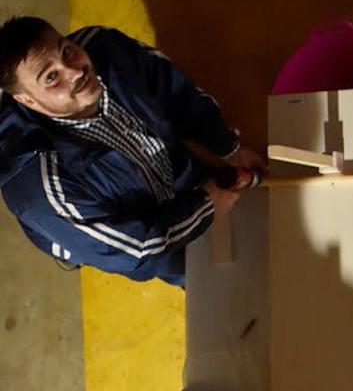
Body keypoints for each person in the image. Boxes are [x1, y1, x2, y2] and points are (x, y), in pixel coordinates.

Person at [0, 16, 265, 287]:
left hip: (170, 178)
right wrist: (207, 207)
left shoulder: (106, 48)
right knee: (210, 280)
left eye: (66, 51)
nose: (75, 72)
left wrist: (228, 148)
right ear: (26, 100)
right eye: (51, 77)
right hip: (134, 238)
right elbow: (137, 250)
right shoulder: (39, 187)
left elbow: (179, 95)